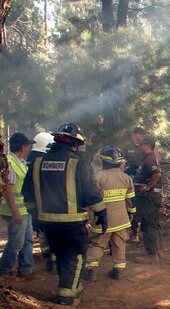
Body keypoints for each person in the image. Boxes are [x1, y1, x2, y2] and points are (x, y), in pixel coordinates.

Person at [22, 123, 107, 305]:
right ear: (75, 144)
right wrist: (102, 213)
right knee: (75, 255)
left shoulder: (37, 163)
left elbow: (27, 193)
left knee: (60, 253)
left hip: (47, 222)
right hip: (73, 222)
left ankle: (70, 285)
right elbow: (91, 192)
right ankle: (66, 295)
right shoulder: (79, 163)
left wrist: (35, 217)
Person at [84, 146, 135, 281]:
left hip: (102, 220)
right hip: (121, 220)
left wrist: (89, 217)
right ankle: (119, 271)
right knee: (119, 244)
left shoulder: (97, 177)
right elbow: (130, 200)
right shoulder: (126, 178)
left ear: (103, 161)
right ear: (120, 162)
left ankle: (91, 270)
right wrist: (131, 213)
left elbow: (91, 199)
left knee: (97, 244)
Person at [0, 133, 34, 278]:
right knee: (16, 243)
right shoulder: (10, 162)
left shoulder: (20, 162)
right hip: (15, 210)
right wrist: (15, 211)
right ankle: (4, 269)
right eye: (27, 145)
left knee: (27, 240)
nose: (28, 148)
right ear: (22, 147)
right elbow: (8, 189)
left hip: (24, 209)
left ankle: (26, 270)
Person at [26, 131, 56, 272]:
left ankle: (47, 258)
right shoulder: (45, 161)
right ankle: (54, 259)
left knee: (42, 233)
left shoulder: (28, 159)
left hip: (31, 205)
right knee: (51, 233)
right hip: (46, 203)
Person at [134, 137, 162, 264]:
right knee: (150, 223)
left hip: (149, 198)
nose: (139, 147)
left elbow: (156, 174)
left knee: (149, 223)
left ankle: (152, 255)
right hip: (148, 198)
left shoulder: (149, 159)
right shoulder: (147, 159)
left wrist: (148, 187)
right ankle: (155, 250)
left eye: (141, 145)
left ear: (147, 145)